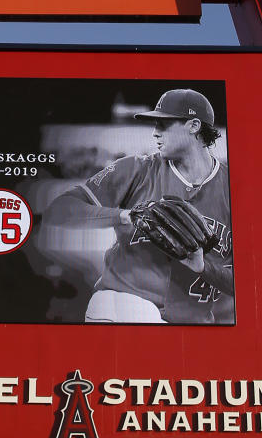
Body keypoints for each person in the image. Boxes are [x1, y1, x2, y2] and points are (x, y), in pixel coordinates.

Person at [42, 88, 233, 324]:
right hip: (122, 304)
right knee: (130, 310)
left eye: (164, 124)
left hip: (191, 328)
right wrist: (124, 216)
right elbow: (59, 209)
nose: (155, 133)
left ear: (193, 126)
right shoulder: (136, 169)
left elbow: (248, 283)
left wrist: (203, 267)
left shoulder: (233, 189)